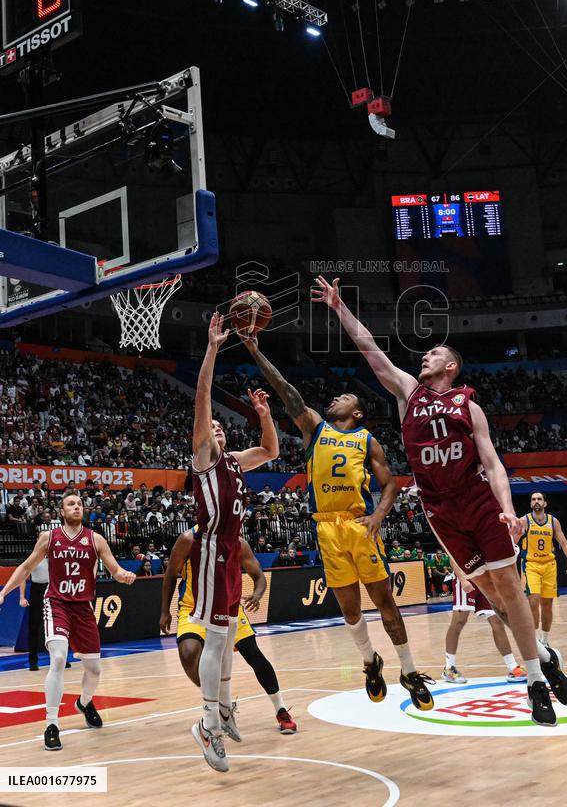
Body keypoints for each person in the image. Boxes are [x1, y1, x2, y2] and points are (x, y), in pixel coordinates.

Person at [313, 275, 567, 727]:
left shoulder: (467, 405)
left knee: (509, 589)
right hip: (438, 508)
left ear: (450, 367)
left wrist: (508, 510)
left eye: (435, 354)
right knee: (491, 596)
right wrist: (338, 308)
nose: (425, 355)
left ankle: (536, 683)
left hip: (476, 498)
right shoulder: (407, 393)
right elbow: (370, 350)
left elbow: (492, 463)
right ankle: (546, 653)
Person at [240, 330, 433, 712]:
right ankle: (369, 662)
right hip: (326, 527)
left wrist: (378, 514)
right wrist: (255, 350)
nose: (334, 399)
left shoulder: (367, 440)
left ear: (357, 412)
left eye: (344, 397)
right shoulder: (315, 429)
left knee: (385, 602)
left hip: (359, 524)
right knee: (349, 609)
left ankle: (409, 670)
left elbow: (390, 484)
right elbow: (284, 389)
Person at [189, 312, 279, 773]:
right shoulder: (205, 456)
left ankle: (221, 708)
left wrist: (264, 415)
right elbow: (203, 400)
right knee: (217, 638)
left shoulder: (237, 463)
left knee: (225, 642)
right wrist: (211, 350)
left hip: (229, 551)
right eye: (215, 429)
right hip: (210, 549)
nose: (218, 431)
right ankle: (208, 720)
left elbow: (272, 451)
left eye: (224, 429)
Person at [0, 491, 135, 750]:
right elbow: (26, 567)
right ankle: (52, 724)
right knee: (59, 657)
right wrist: (4, 592)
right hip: (57, 603)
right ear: (61, 512)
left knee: (94, 670)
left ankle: (84, 703)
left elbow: (115, 570)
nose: (76, 507)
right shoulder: (49, 538)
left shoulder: (95, 540)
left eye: (79, 504)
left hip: (83, 607)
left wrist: (125, 575)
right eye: (70, 504)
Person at [160, 529, 297, 735]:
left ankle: (281, 709)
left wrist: (258, 594)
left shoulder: (238, 543)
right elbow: (170, 574)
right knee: (188, 654)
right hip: (193, 606)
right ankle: (223, 703)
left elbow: (259, 576)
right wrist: (164, 611)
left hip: (228, 607)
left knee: (253, 654)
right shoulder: (188, 540)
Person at [519, 492, 567, 644]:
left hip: (549, 565)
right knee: (533, 600)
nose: (536, 502)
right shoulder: (524, 521)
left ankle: (545, 640)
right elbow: (513, 541)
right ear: (530, 504)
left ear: (545, 503)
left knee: (547, 605)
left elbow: (564, 543)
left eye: (539, 499)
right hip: (531, 565)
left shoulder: (553, 522)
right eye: (533, 499)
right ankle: (533, 640)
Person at [443, 574, 527, 683]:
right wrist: (463, 580)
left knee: (497, 621)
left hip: (484, 578)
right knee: (459, 621)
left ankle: (512, 667)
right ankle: (449, 668)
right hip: (466, 576)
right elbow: (452, 557)